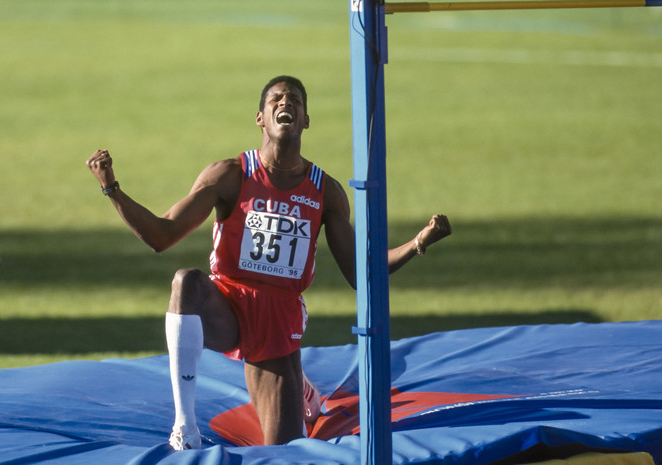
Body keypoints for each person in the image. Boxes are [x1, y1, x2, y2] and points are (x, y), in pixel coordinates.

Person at [86, 75, 451, 450]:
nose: (285, 103)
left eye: (294, 100)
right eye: (275, 99)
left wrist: (417, 243)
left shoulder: (325, 190)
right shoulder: (230, 174)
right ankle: (185, 427)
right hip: (227, 302)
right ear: (260, 117)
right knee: (186, 282)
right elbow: (162, 236)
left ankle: (301, 388)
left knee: (283, 450)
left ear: (306, 120)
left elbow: (363, 273)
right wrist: (112, 189)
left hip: (278, 317)